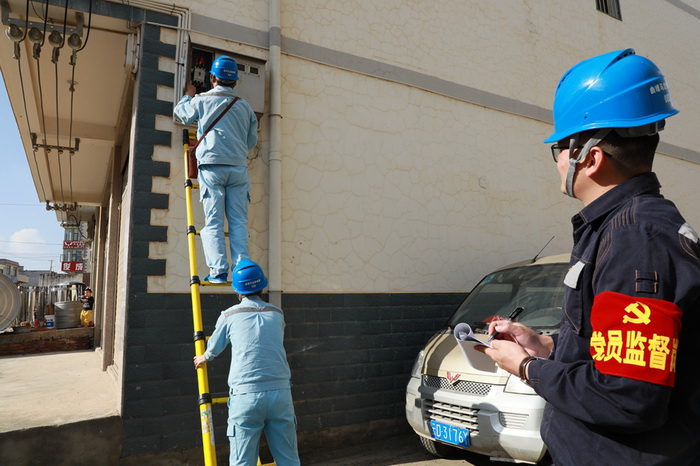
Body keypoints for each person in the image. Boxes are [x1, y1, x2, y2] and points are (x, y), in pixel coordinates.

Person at [477, 49, 700, 465]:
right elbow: (614, 349)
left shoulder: (637, 238)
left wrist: (527, 368)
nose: (557, 161)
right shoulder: (621, 227)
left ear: (590, 157)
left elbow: (628, 398)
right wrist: (544, 345)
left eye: (559, 148)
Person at [193, 260, 300, 466]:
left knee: (242, 461)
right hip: (281, 393)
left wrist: (205, 356)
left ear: (237, 290)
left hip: (246, 396)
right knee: (288, 458)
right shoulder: (277, 314)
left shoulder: (229, 315)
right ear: (262, 286)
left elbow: (215, 346)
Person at [174, 56, 258, 284]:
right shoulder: (246, 107)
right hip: (238, 168)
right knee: (238, 221)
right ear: (236, 82)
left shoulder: (202, 100)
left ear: (212, 78)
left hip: (212, 167)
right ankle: (242, 269)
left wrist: (188, 94)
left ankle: (219, 271)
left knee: (213, 222)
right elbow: (251, 142)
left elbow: (180, 114)